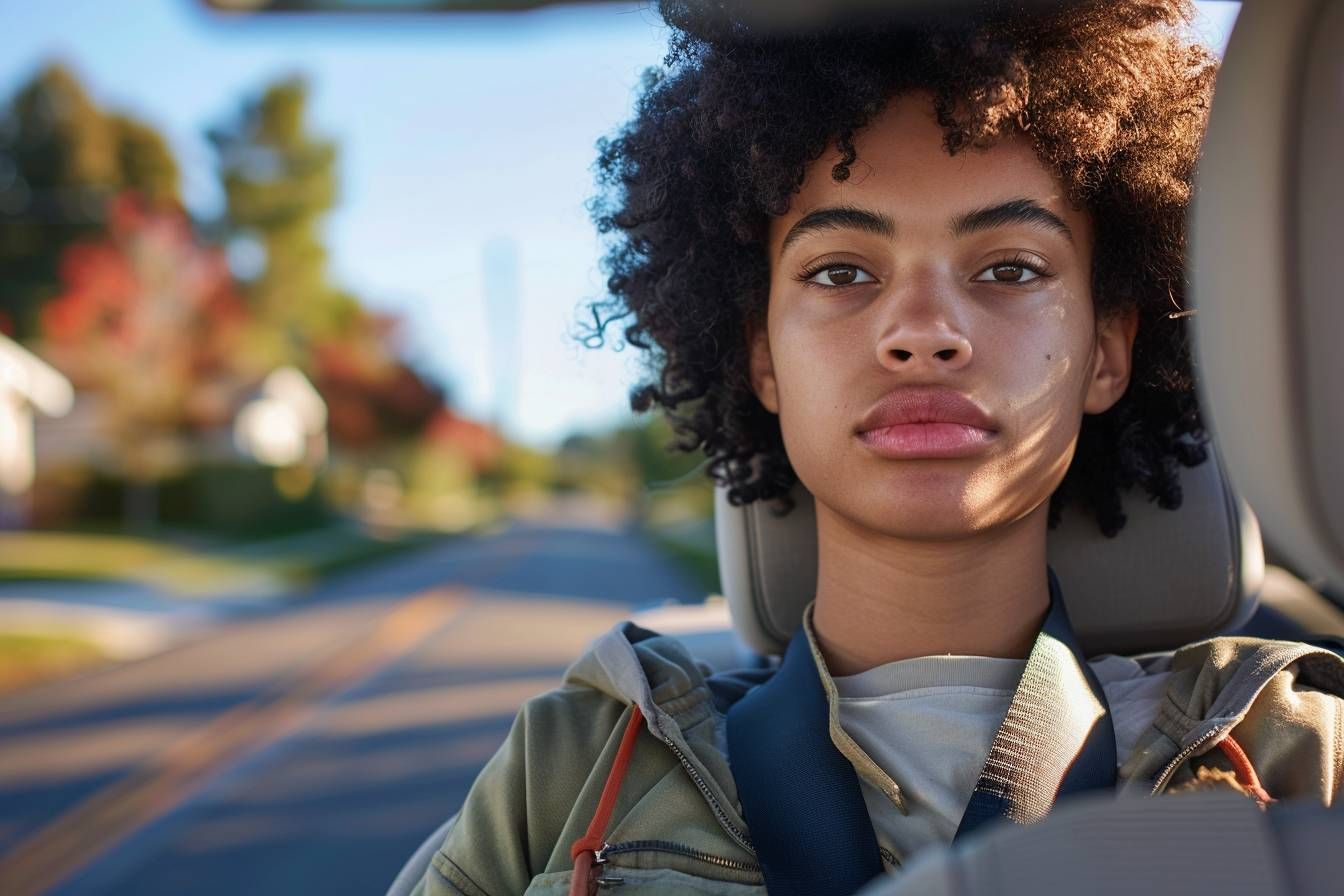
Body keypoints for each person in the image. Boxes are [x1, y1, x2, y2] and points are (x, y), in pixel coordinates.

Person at [411, 2, 1344, 893]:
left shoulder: (1301, 757)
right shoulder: (572, 769)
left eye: (1010, 269)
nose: (923, 332)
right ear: (763, 358)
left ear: (1108, 353)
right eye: (842, 271)